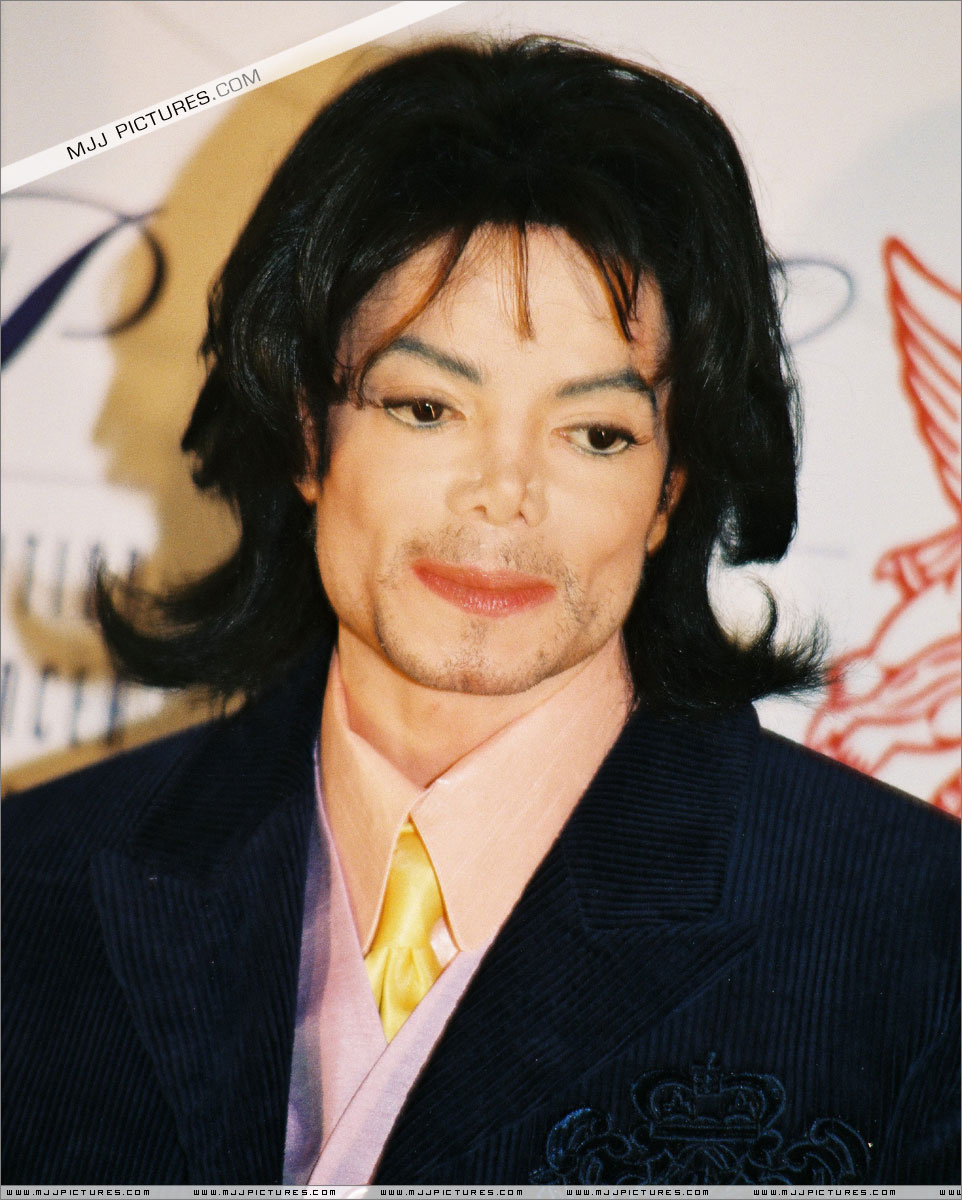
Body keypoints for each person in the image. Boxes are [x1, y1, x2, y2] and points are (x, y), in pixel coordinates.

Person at [2, 36, 958, 1187]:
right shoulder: (30, 887)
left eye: (593, 433)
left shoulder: (919, 938)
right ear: (305, 432)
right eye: (425, 409)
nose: (503, 494)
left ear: (670, 489)